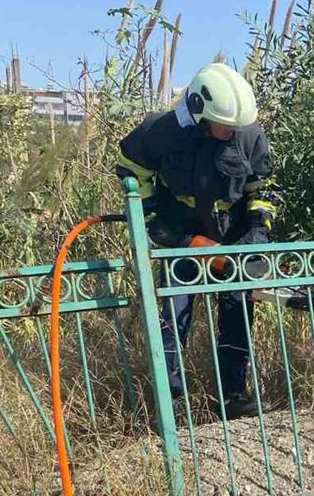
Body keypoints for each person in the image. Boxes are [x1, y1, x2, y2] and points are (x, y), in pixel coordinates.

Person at [115, 62, 277, 419]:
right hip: (182, 240)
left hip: (232, 239)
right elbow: (131, 173)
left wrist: (255, 234)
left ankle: (232, 397)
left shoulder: (249, 134)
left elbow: (262, 191)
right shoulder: (159, 132)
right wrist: (160, 225)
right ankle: (170, 403)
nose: (233, 132)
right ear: (201, 114)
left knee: (237, 313)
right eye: (226, 126)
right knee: (174, 317)